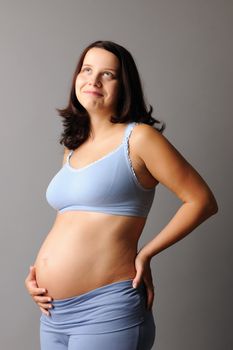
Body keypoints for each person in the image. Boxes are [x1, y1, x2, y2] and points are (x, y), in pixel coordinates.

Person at [24, 40, 218, 350]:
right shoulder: (73, 146)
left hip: (106, 310)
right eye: (87, 70)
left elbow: (202, 201)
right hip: (52, 314)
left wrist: (146, 253)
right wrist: (37, 276)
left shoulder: (139, 138)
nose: (93, 80)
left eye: (107, 74)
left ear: (123, 85)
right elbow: (71, 222)